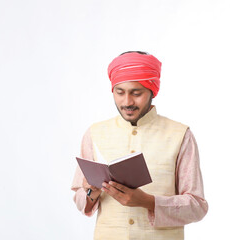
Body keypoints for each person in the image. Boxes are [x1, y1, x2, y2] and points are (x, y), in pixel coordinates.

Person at [71, 51, 208, 240]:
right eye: (120, 92)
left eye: (137, 93)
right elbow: (79, 199)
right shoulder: (95, 133)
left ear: (152, 91)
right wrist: (90, 192)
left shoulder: (180, 135)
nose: (127, 102)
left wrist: (149, 202)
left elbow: (197, 207)